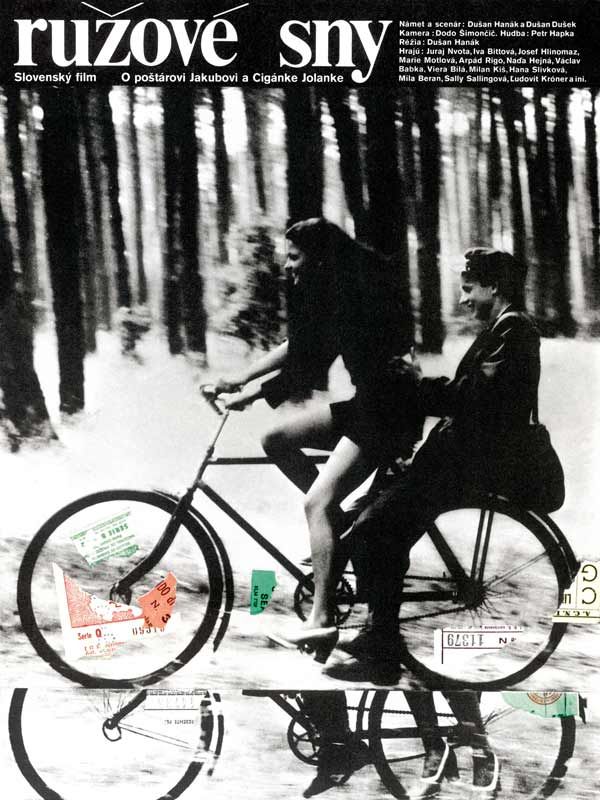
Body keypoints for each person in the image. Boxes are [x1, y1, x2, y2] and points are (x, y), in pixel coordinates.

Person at [325, 247, 565, 682]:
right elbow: (470, 393)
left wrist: (417, 385)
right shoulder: (505, 328)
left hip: (470, 464)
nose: (462, 298)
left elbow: (475, 400)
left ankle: (382, 653)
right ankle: (377, 631)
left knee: (373, 529)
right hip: (461, 457)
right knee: (366, 518)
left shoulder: (514, 331)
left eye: (468, 288)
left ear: (494, 286)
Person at [214, 218, 423, 660]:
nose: (288, 266)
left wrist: (251, 392)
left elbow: (309, 361)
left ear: (321, 257)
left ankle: (322, 621)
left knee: (316, 503)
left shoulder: (351, 294)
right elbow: (301, 344)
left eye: (294, 257)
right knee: (277, 439)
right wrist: (241, 381)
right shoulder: (339, 287)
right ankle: (338, 534)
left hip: (388, 412)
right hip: (372, 404)